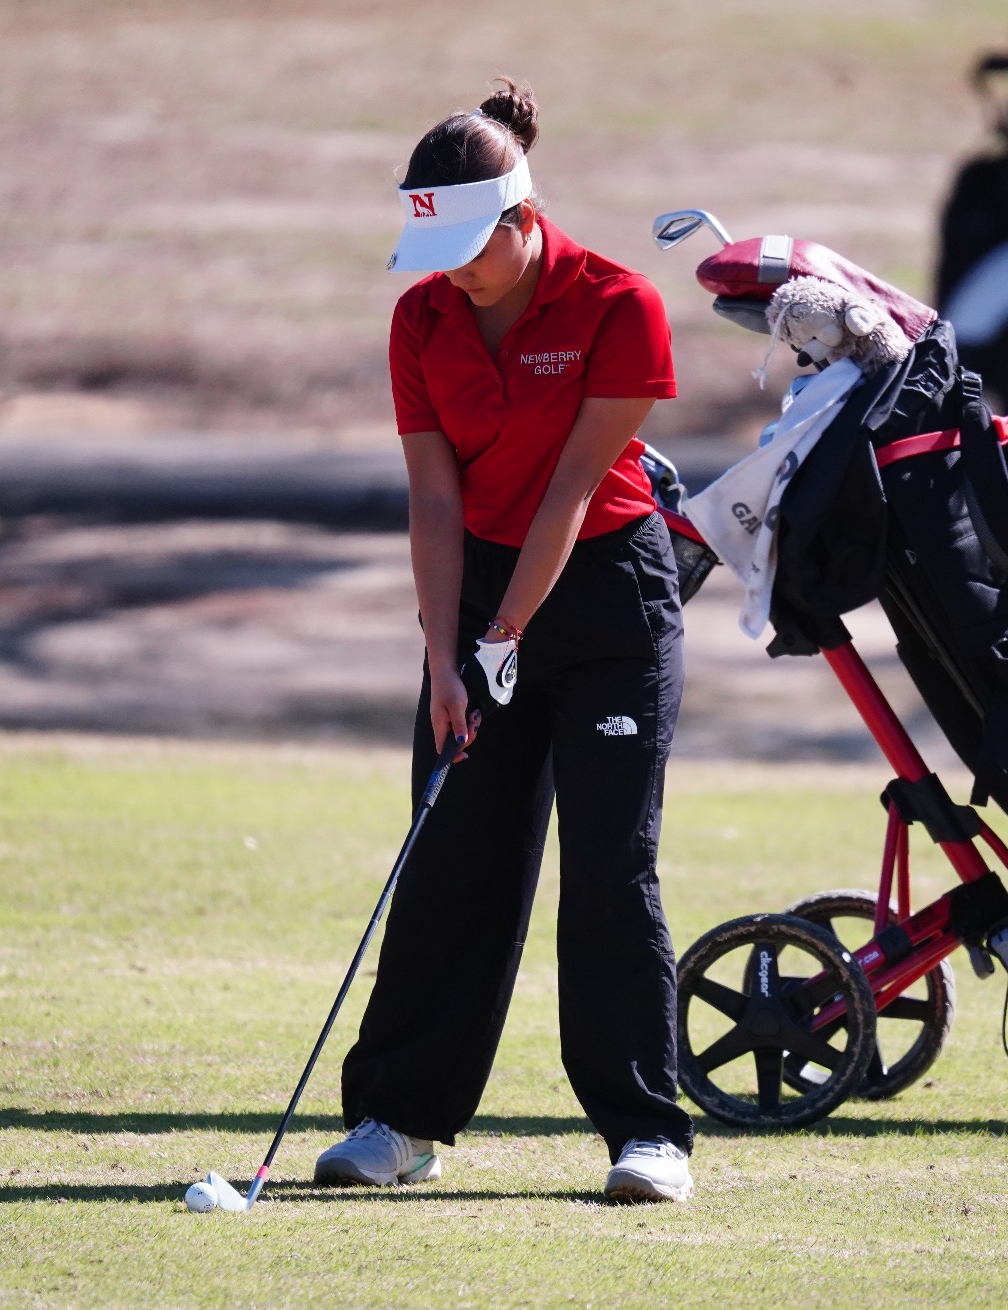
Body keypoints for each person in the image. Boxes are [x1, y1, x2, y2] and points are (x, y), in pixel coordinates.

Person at [312, 78, 694, 1203]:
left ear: (523, 217)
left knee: (610, 869)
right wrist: (446, 657)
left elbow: (573, 488)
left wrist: (507, 633)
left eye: (473, 249)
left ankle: (646, 1133)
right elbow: (434, 498)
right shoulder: (421, 319)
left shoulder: (618, 304)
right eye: (439, 253)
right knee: (453, 857)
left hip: (606, 595)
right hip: (476, 589)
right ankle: (400, 1119)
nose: (456, 272)